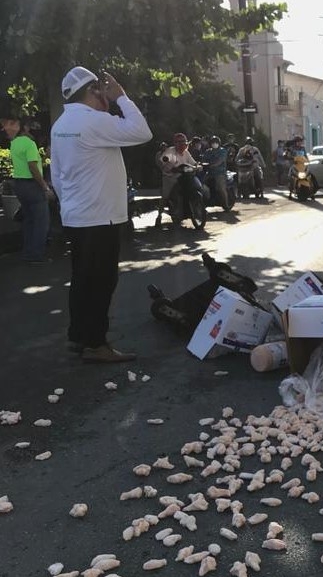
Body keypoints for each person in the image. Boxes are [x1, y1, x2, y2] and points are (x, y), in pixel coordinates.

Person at [50, 66, 152, 362]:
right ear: (93, 91)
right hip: (100, 216)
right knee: (102, 280)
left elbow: (56, 174)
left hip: (76, 216)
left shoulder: (61, 124)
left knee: (82, 278)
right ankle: (96, 344)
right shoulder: (94, 121)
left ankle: (79, 336)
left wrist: (68, 205)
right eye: (101, 89)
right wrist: (121, 97)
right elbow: (141, 132)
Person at [1, 111, 54, 262]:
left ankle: (28, 252)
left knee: (29, 220)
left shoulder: (14, 143)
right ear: (25, 129)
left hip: (20, 185)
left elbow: (26, 162)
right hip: (32, 185)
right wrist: (45, 187)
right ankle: (36, 255)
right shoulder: (29, 144)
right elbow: (32, 167)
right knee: (41, 221)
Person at [155, 132, 197, 225]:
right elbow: (165, 159)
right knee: (165, 196)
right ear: (175, 143)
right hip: (170, 177)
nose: (182, 144)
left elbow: (193, 162)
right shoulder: (170, 151)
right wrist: (168, 164)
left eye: (183, 142)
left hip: (183, 176)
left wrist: (197, 165)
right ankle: (159, 215)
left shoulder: (186, 152)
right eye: (179, 142)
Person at [202, 134, 229, 207]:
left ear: (219, 143)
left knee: (221, 188)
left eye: (216, 142)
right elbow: (203, 160)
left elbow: (220, 161)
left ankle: (226, 205)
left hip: (220, 173)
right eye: (213, 142)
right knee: (201, 184)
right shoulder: (208, 151)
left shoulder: (222, 151)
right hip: (209, 172)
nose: (214, 143)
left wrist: (213, 165)